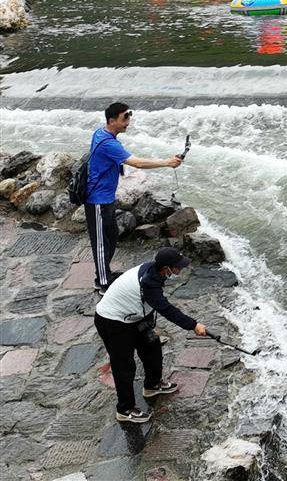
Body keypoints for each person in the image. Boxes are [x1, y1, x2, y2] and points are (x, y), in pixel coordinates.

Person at [94, 246, 209, 423]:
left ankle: (152, 385)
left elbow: (148, 306)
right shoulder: (149, 282)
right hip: (113, 322)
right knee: (124, 367)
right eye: (178, 266)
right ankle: (125, 410)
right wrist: (193, 325)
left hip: (134, 317)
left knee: (152, 348)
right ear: (167, 269)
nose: (181, 268)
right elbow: (166, 309)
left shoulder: (154, 271)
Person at [84, 103, 183, 292]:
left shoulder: (101, 133)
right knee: (101, 244)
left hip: (107, 199)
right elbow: (137, 163)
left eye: (128, 117)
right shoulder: (109, 143)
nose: (128, 122)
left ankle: (104, 273)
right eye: (124, 118)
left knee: (111, 237)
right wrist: (167, 163)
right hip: (96, 201)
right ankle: (103, 283)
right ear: (112, 121)